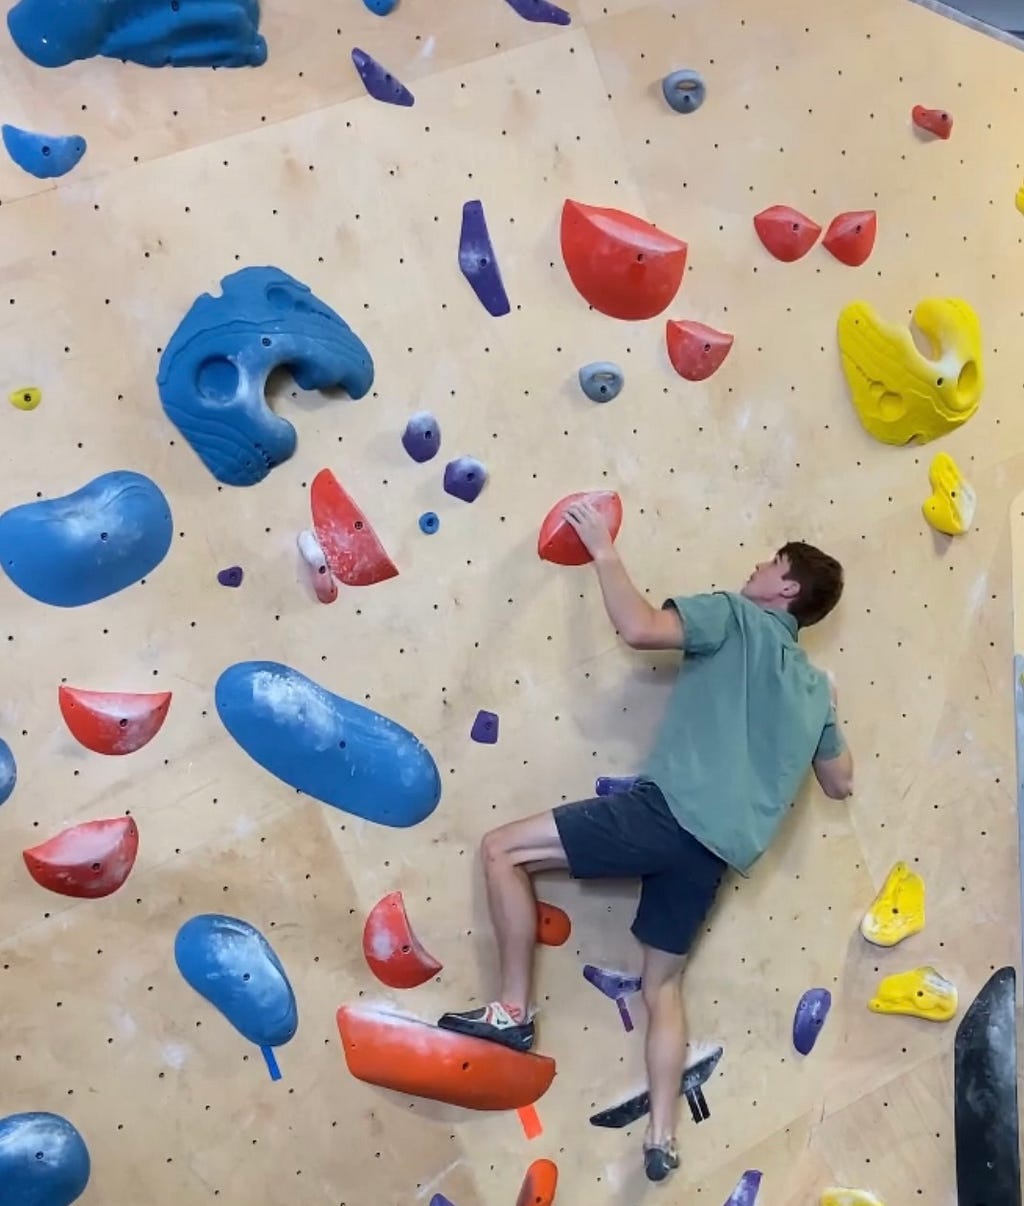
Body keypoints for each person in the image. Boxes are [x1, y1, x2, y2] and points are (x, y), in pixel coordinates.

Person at [438, 500, 854, 1183]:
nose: (756, 566)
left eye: (770, 563)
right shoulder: (812, 688)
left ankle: (511, 1011)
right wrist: (828, 713)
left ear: (786, 589)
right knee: (662, 985)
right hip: (712, 856)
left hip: (665, 815)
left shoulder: (735, 613)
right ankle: (662, 1136)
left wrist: (603, 548)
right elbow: (839, 781)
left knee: (501, 850)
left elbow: (638, 627)